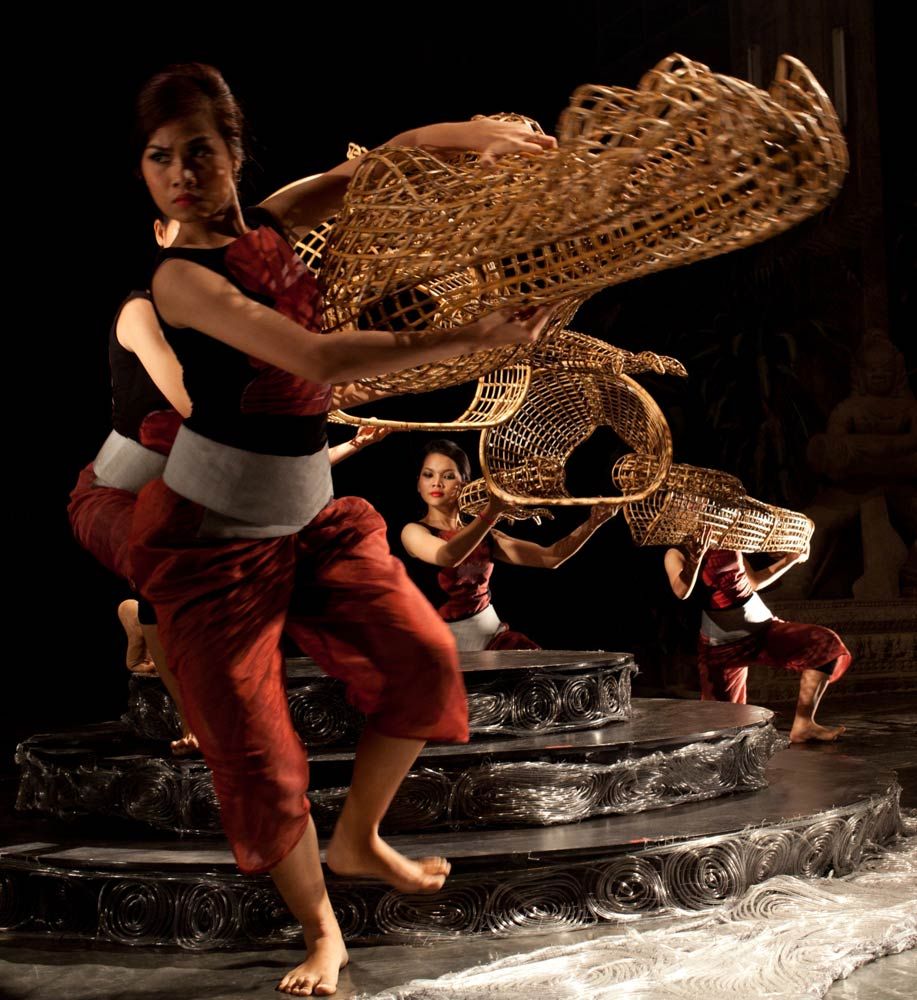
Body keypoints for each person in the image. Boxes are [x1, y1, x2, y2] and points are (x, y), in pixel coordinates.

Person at [124, 62, 554, 996]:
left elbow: (372, 171)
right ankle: (323, 937)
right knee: (259, 760)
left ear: (234, 152)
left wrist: (468, 135)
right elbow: (315, 357)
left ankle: (358, 836)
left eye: (198, 151)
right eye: (159, 158)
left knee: (424, 662)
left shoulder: (273, 223)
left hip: (312, 522)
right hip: (213, 544)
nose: (181, 174)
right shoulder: (178, 279)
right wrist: (471, 341)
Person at [400, 439, 614, 650]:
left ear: (464, 483)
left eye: (448, 476)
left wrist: (592, 524)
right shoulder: (413, 531)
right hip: (438, 645)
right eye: (428, 475)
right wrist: (491, 512)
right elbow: (448, 556)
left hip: (490, 637)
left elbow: (550, 557)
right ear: (418, 484)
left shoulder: (485, 534)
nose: (437, 483)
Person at [664, 525, 851, 742]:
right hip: (722, 646)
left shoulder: (728, 540)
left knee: (825, 644)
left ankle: (804, 725)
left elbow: (752, 582)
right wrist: (695, 560)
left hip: (763, 628)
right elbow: (681, 591)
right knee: (722, 728)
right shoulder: (676, 553)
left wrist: (789, 560)